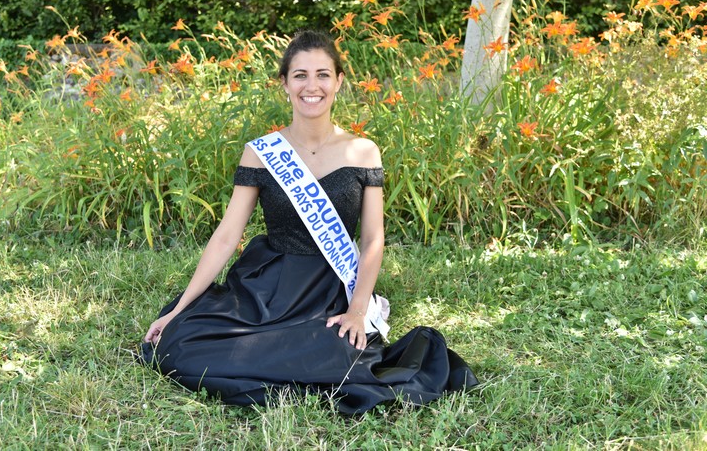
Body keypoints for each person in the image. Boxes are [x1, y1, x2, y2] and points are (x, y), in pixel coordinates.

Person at [141, 29, 477, 414]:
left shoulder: (363, 152)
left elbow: (372, 241)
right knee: (179, 344)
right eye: (300, 75)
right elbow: (226, 236)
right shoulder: (261, 153)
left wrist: (355, 310)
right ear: (284, 83)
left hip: (327, 290)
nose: (311, 85)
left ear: (339, 82)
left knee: (339, 354)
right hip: (266, 286)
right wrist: (179, 309)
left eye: (322, 74)